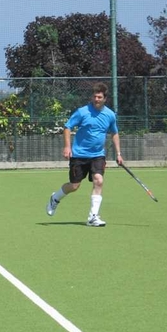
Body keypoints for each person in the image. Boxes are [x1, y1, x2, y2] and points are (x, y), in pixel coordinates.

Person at [45, 82, 123, 226]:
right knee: (74, 186)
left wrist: (118, 153)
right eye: (94, 96)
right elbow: (67, 127)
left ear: (105, 98)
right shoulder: (82, 112)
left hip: (98, 155)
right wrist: (67, 147)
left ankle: (93, 217)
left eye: (99, 97)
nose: (96, 99)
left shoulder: (110, 115)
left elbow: (114, 133)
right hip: (79, 155)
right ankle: (55, 198)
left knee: (98, 180)